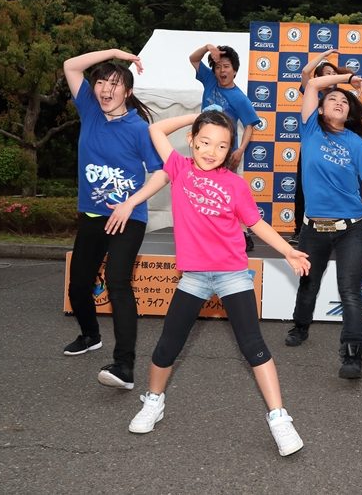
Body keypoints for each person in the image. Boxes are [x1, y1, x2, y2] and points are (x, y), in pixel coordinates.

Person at [127, 109, 310, 457]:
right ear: (192, 141)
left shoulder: (235, 185)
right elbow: (156, 129)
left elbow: (257, 224)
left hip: (232, 274)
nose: (212, 151)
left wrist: (288, 251)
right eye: (205, 142)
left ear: (230, 151)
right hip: (193, 277)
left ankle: (279, 418)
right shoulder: (179, 168)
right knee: (168, 345)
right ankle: (154, 401)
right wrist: (197, 115)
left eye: (222, 145)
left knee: (254, 346)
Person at [284, 70, 362, 379]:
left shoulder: (356, 144)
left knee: (350, 291)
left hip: (351, 229)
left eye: (344, 101)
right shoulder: (310, 129)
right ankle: (300, 326)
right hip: (314, 229)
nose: (339, 102)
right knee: (309, 284)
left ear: (350, 112)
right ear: (320, 109)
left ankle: (352, 355)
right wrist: (348, 78)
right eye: (333, 99)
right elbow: (313, 83)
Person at [62, 49, 167, 392]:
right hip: (94, 216)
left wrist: (129, 203)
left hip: (128, 217)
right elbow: (70, 65)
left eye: (115, 83)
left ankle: (124, 366)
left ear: (128, 92)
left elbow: (162, 173)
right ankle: (90, 335)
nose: (106, 89)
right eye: (101, 82)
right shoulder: (90, 110)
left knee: (118, 283)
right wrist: (115, 54)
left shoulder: (139, 129)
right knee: (79, 285)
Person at [189, 43, 261, 251]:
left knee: (227, 194)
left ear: (235, 70)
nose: (222, 71)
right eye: (218, 66)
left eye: (226, 66)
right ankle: (208, 234)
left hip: (226, 153)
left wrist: (240, 150)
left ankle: (243, 234)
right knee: (203, 193)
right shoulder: (210, 80)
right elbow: (193, 59)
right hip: (202, 150)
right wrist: (207, 48)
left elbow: (250, 126)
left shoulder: (240, 97)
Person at [290, 49, 356, 245]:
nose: (331, 76)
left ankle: (331, 233)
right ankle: (300, 231)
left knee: (333, 191)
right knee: (304, 190)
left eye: (334, 74)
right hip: (311, 152)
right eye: (327, 73)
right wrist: (324, 54)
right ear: (319, 77)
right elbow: (305, 72)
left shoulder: (342, 98)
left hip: (334, 151)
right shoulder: (313, 93)